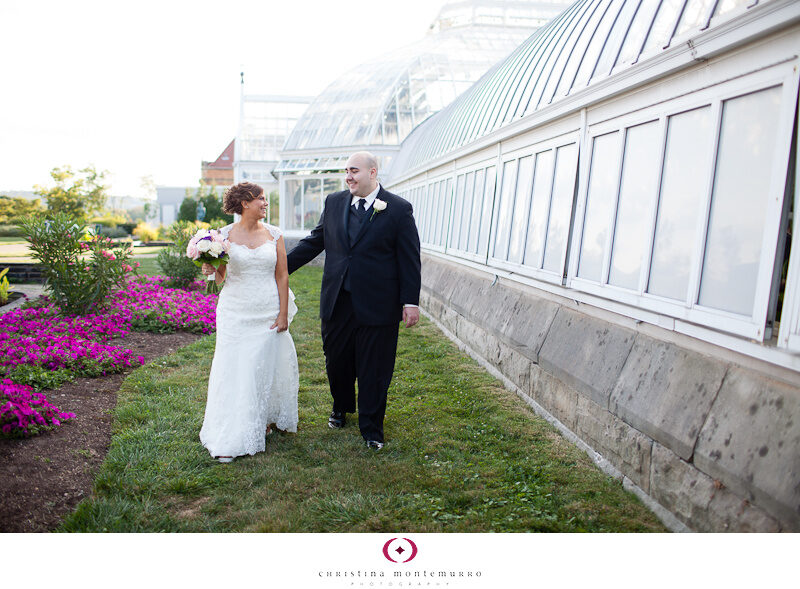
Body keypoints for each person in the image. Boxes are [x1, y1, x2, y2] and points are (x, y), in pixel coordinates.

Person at [287, 151, 421, 450]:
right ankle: (341, 405)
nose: (348, 176)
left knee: (375, 366)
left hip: (379, 303)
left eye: (354, 171)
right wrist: (278, 267)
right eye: (346, 171)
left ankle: (372, 427)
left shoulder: (398, 209)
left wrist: (410, 301)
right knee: (337, 361)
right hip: (337, 299)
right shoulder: (334, 203)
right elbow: (315, 241)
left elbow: (409, 258)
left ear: (373, 173)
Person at [199, 182, 299, 463]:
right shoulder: (223, 236)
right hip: (235, 311)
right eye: (261, 199)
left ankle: (263, 417)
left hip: (266, 310)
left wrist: (282, 313)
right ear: (245, 203)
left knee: (262, 367)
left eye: (266, 199)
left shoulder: (275, 234)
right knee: (235, 369)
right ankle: (231, 432)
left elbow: (282, 275)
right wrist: (209, 267)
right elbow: (220, 279)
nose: (265, 204)